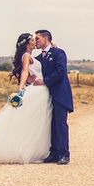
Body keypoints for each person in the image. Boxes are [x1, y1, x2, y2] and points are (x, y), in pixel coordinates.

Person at [0, 33, 52, 164]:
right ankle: (27, 150)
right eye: (33, 40)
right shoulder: (26, 56)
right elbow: (25, 71)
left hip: (40, 88)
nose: (35, 42)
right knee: (35, 121)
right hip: (38, 89)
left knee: (36, 121)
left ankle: (34, 150)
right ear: (28, 44)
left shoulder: (32, 56)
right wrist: (21, 88)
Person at [33, 29, 73, 165]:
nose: (35, 41)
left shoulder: (58, 53)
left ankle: (64, 154)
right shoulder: (39, 58)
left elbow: (61, 71)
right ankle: (54, 152)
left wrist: (45, 81)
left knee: (60, 123)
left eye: (37, 38)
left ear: (46, 38)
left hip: (60, 94)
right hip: (46, 96)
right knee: (51, 124)